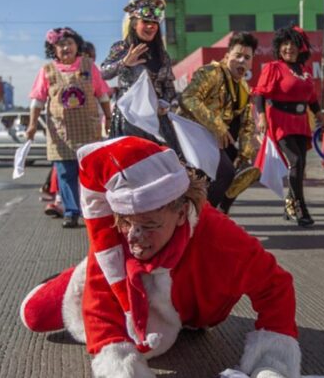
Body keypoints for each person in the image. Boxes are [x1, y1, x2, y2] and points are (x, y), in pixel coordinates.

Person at [19, 136, 300, 378]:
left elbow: (275, 286)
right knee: (34, 313)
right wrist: (120, 365)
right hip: (129, 293)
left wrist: (272, 361)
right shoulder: (115, 239)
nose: (133, 237)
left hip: (194, 311)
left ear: (180, 213)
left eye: (149, 226)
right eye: (126, 222)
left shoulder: (221, 239)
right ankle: (66, 278)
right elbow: (99, 309)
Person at [26, 27, 111, 229]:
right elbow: (37, 101)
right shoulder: (46, 71)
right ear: (53, 49)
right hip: (60, 133)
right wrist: (31, 125)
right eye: (60, 44)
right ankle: (72, 212)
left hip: (88, 130)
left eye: (69, 43)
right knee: (65, 174)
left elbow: (103, 95)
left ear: (77, 45)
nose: (66, 48)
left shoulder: (90, 66)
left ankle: (95, 212)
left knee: (90, 173)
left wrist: (108, 117)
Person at [178, 32, 259, 214]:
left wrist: (245, 156)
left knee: (239, 174)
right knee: (225, 172)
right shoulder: (212, 73)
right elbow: (188, 98)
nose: (241, 61)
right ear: (227, 55)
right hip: (191, 137)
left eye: (247, 57)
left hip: (214, 142)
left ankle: (217, 214)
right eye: (237, 55)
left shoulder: (245, 89)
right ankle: (203, 217)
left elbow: (247, 125)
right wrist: (218, 126)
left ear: (252, 62)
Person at [253, 26, 324, 227]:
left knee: (300, 165)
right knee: (295, 161)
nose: (288, 48)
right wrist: (261, 117)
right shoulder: (273, 68)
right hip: (280, 120)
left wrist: (320, 117)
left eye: (293, 44)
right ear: (279, 47)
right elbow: (260, 94)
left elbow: (311, 99)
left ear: (300, 48)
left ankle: (289, 204)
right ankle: (298, 206)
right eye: (285, 44)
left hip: (301, 122)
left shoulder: (305, 71)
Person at [101, 0, 182, 156]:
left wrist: (167, 105)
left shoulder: (162, 55)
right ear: (134, 24)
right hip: (129, 119)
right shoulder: (122, 48)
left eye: (154, 24)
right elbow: (104, 72)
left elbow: (169, 86)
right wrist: (124, 62)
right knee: (133, 164)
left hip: (158, 119)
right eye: (145, 22)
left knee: (166, 163)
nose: (151, 27)